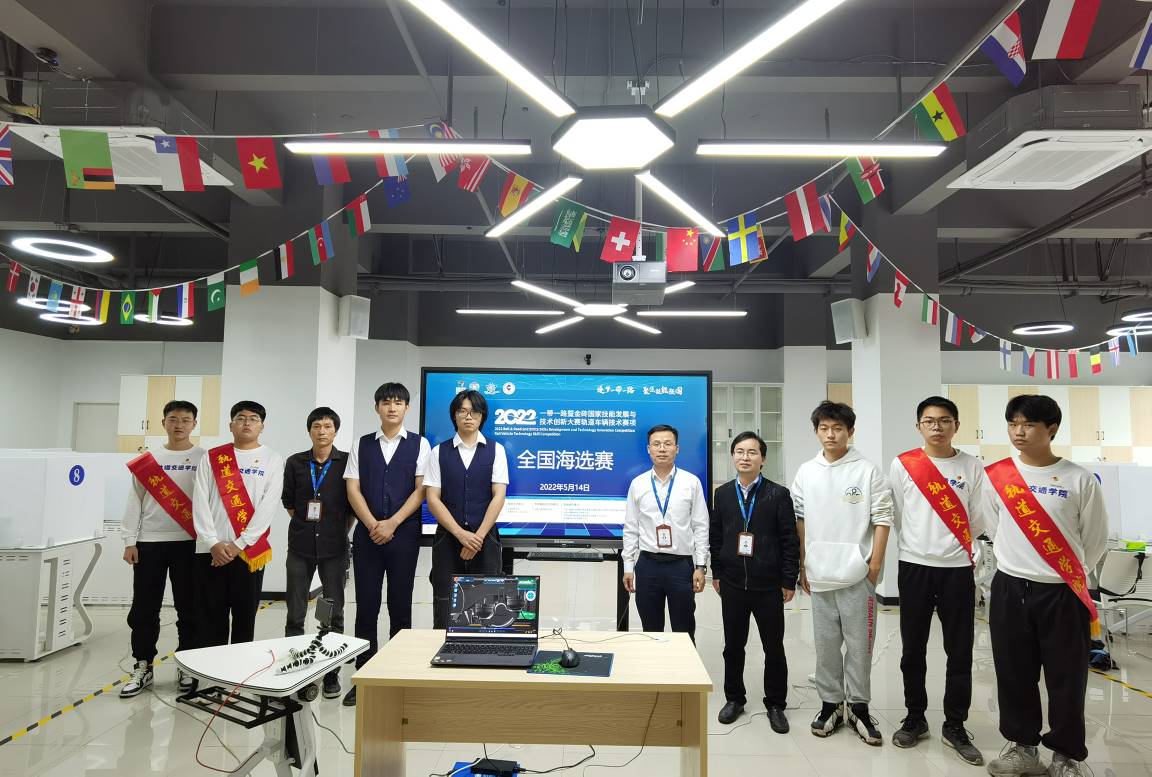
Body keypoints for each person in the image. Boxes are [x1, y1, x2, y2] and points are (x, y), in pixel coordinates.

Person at [984, 395, 1109, 777]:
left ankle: (1065, 756)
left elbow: (1095, 540)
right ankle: (1023, 748)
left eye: (1028, 424)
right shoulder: (997, 476)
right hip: (1010, 589)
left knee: (1066, 678)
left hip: (1062, 592)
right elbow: (993, 526)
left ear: (1051, 429)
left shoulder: (1079, 479)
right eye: (1013, 424)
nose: (1018, 432)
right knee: (1013, 674)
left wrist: (1061, 570)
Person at [888, 396, 989, 765]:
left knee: (959, 650)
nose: (937, 427)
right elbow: (898, 513)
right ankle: (915, 717)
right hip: (914, 565)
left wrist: (953, 545)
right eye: (929, 421)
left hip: (957, 569)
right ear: (919, 426)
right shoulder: (903, 464)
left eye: (945, 420)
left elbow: (978, 517)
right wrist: (921, 543)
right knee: (912, 649)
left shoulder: (972, 466)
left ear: (956, 425)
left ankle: (955, 724)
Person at [791, 400, 892, 746]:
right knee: (826, 646)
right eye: (824, 428)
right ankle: (830, 704)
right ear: (816, 431)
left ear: (850, 431)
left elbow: (883, 518)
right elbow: (800, 520)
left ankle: (859, 707)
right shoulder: (807, 471)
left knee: (860, 647)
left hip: (857, 574)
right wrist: (803, 563)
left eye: (837, 428)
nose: (830, 434)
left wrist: (874, 566)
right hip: (819, 573)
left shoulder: (867, 471)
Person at [342, 383, 431, 707]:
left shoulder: (420, 444)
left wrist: (392, 523)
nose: (392, 408)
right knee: (366, 606)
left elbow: (421, 490)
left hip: (404, 535)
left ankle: (398, 674)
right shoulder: (361, 444)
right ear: (377, 407)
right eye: (386, 402)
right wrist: (372, 524)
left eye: (398, 403)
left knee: (400, 605)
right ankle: (365, 675)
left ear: (407, 408)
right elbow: (353, 489)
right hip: (367, 536)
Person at [710, 431, 799, 733]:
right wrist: (718, 573)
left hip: (768, 586)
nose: (745, 457)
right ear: (732, 456)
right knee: (733, 646)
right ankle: (734, 698)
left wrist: (789, 579)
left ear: (763, 459)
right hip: (733, 583)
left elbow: (789, 540)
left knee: (773, 647)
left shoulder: (778, 494)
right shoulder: (723, 494)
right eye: (739, 451)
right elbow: (716, 537)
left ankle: (775, 703)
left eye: (752, 452)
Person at [119, 400, 204, 698]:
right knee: (144, 608)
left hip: (190, 543)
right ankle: (143, 665)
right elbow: (134, 500)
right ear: (163, 422)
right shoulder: (148, 460)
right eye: (173, 419)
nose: (179, 425)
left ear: (194, 424)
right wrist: (129, 540)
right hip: (150, 543)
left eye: (185, 419)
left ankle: (186, 664)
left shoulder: (204, 458)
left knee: (189, 607)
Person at [192, 401, 284, 648]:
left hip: (248, 552)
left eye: (254, 419)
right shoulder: (212, 457)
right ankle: (212, 668)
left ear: (262, 426)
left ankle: (240, 667)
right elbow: (200, 500)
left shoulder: (272, 459)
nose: (247, 423)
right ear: (230, 425)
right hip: (211, 552)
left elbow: (268, 507)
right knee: (211, 616)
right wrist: (212, 542)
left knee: (245, 616)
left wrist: (239, 544)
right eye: (241, 418)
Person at [282, 407, 351, 701]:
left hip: (334, 549)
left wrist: (335, 530)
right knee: (295, 611)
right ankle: (296, 669)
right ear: (309, 430)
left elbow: (351, 508)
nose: (322, 431)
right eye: (316, 426)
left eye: (327, 426)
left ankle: (331, 672)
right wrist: (310, 526)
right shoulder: (295, 462)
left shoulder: (346, 462)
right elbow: (289, 503)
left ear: (335, 431)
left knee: (332, 611)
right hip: (300, 547)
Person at [425, 390, 509, 629]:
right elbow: (432, 499)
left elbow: (499, 496)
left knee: (488, 605)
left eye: (474, 412)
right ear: (454, 415)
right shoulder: (439, 452)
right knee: (445, 603)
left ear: (482, 416)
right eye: (462, 411)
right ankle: (445, 648)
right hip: (448, 538)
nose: (468, 416)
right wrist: (461, 534)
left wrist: (477, 538)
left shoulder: (496, 450)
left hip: (485, 538)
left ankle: (483, 649)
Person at [622, 424, 710, 641]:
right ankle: (653, 664)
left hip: (681, 566)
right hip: (647, 565)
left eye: (668, 444)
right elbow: (631, 528)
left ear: (677, 449)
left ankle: (685, 665)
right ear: (648, 449)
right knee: (651, 631)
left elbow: (701, 526)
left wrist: (700, 566)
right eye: (656, 444)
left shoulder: (691, 483)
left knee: (684, 629)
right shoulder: (638, 484)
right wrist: (628, 566)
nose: (662, 449)